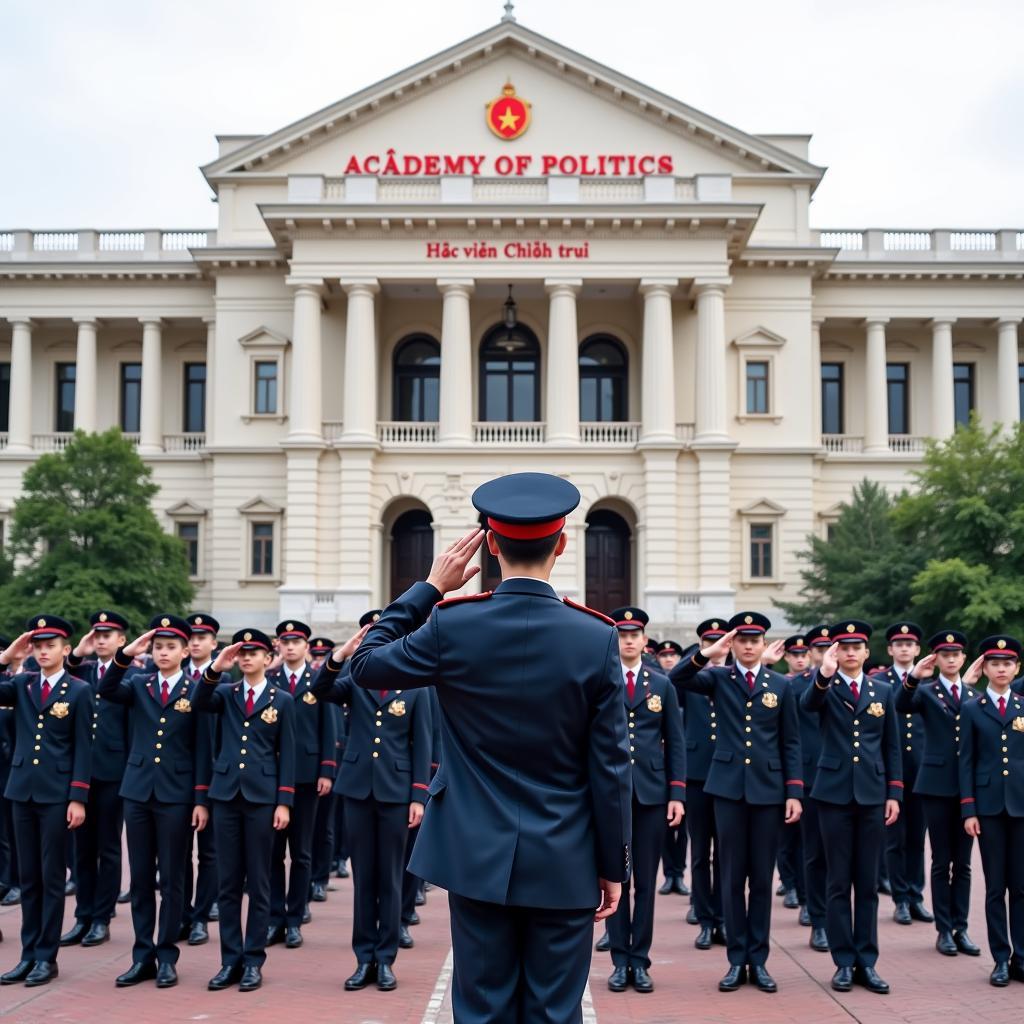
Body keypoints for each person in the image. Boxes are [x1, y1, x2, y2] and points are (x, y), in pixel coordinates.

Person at [338, 472, 631, 1024]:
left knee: (481, 1010)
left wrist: (429, 587)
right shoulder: (595, 636)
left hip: (473, 852)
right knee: (553, 1011)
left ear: (491, 544)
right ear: (563, 543)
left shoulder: (454, 624)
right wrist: (613, 863)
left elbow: (366, 664)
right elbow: (611, 765)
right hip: (566, 855)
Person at [670, 613, 802, 993]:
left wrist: (794, 791)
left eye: (754, 640)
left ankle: (757, 960)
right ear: (733, 644)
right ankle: (734, 959)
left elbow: (790, 741)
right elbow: (678, 679)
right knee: (730, 877)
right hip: (727, 790)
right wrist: (704, 653)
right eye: (741, 640)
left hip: (768, 792)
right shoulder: (718, 678)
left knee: (761, 878)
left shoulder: (780, 684)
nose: (747, 646)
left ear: (763, 645)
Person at [310, 614, 431, 992]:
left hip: (396, 794)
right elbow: (322, 689)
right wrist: (343, 653)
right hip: (358, 789)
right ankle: (364, 958)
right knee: (364, 877)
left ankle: (386, 958)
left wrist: (418, 796)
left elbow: (423, 743)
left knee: (391, 878)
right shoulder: (358, 679)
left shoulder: (416, 686)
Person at [94, 616, 211, 988]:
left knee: (173, 877)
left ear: (184, 651)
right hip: (138, 791)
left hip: (177, 795)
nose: (163, 653)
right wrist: (127, 654)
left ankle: (166, 955)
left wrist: (200, 799)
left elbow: (202, 750)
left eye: (170, 647)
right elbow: (106, 687)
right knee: (142, 877)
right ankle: (142, 955)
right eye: (158, 646)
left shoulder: (197, 690)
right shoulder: (139, 685)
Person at [801, 621, 902, 995]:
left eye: (857, 647)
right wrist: (824, 674)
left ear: (866, 651)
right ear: (836, 653)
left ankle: (867, 962)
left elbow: (891, 745)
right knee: (838, 881)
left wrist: (895, 792)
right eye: (844, 647)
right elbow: (807, 704)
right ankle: (844, 962)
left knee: (869, 883)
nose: (850, 653)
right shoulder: (826, 687)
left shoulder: (883, 690)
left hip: (873, 794)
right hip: (833, 794)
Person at [195, 628, 296, 993]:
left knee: (259, 880)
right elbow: (197, 700)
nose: (248, 657)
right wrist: (216, 668)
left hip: (262, 797)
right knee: (228, 883)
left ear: (269, 659)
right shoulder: (225, 692)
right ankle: (229, 961)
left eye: (255, 652)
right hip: (225, 795)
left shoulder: (281, 699)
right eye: (243, 653)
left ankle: (253, 960)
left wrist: (284, 801)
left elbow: (289, 753)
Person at [0, 616, 92, 988]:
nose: (42, 651)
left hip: (56, 795)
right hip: (21, 790)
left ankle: (45, 957)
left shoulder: (79, 690)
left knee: (52, 876)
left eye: (49, 645)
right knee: (28, 878)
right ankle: (27, 953)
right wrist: (7, 656)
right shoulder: (21, 684)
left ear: (65, 649)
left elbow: (84, 748)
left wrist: (78, 797)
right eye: (37, 645)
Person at [605, 607, 685, 994]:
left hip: (652, 795)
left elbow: (676, 744)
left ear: (644, 640)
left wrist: (677, 794)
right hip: (611, 796)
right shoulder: (600, 681)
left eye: (634, 634)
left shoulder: (662, 684)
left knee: (646, 883)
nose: (629, 640)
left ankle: (641, 959)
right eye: (622, 634)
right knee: (615, 875)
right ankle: (619, 959)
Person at [897, 630, 981, 957]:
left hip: (968, 788)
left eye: (955, 654)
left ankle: (961, 927)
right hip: (934, 785)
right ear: (936, 658)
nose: (950, 659)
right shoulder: (927, 692)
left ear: (962, 659)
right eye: (944, 654)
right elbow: (901, 704)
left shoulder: (975, 695)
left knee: (963, 863)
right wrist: (915, 676)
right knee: (940, 859)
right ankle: (944, 929)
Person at [61, 611, 132, 950]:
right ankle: (83, 915)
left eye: (109, 634)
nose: (101, 639)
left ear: (122, 640)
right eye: (97, 634)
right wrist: (79, 651)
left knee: (108, 846)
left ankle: (101, 918)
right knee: (81, 849)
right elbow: (64, 675)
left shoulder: (132, 675)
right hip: (80, 772)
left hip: (113, 771)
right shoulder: (84, 670)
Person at [267, 620, 337, 950]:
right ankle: (275, 917)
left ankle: (295, 916)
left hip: (308, 775)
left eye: (296, 642)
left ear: (306, 647)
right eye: (285, 641)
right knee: (272, 852)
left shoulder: (318, 681)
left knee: (302, 851)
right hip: (273, 775)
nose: (290, 646)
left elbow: (329, 727)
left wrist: (327, 769)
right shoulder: (269, 680)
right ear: (278, 646)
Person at [958, 635, 1024, 986]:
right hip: (987, 808)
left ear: (1017, 668)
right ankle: (1000, 958)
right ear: (984, 668)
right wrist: (969, 809)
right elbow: (965, 762)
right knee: (996, 886)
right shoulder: (972, 708)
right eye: (994, 663)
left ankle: (1022, 958)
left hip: (1021, 806)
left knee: (1022, 886)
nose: (1001, 669)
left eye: (1007, 663)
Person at [872, 622, 932, 926]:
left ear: (918, 650)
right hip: (890, 772)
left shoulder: (929, 683)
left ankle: (916, 895)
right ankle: (900, 899)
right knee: (894, 838)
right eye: (899, 644)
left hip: (921, 772)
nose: (905, 648)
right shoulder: (878, 682)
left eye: (910, 644)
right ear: (890, 650)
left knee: (917, 840)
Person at [677, 620, 727, 950]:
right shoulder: (694, 676)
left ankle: (722, 917)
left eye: (722, 643)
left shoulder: (736, 679)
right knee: (700, 851)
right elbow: (675, 679)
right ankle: (703, 914)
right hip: (696, 774)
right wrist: (702, 656)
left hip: (729, 778)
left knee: (725, 852)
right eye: (711, 642)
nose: (719, 649)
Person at [788, 626, 831, 953]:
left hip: (849, 782)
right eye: (821, 648)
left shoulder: (864, 687)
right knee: (812, 851)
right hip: (811, 776)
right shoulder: (799, 685)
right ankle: (814, 912)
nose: (825, 652)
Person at [180, 614, 221, 946]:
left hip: (215, 774)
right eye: (190, 637)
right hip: (179, 777)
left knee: (208, 853)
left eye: (201, 637)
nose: (195, 642)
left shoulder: (225, 679)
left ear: (213, 643)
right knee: (179, 854)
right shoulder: (171, 680)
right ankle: (182, 911)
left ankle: (201, 915)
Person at [777, 635, 811, 915]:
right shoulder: (788, 686)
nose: (801, 658)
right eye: (795, 654)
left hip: (824, 772)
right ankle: (791, 884)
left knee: (812, 842)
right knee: (789, 838)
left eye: (805, 653)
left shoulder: (820, 683)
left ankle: (809, 895)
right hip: (798, 769)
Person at [654, 640, 690, 899]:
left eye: (673, 655)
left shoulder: (677, 684)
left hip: (683, 759)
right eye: (664, 655)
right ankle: (669, 873)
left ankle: (679, 870)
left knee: (683, 827)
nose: (669, 659)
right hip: (656, 764)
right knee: (666, 828)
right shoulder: (656, 681)